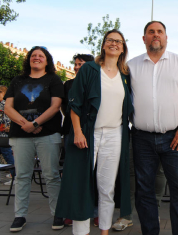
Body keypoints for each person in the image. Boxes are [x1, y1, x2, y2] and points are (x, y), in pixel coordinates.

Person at [55, 29, 133, 235]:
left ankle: (105, 230)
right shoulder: (90, 69)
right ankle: (81, 232)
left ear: (123, 47)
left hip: (115, 134)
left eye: (118, 41)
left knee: (106, 187)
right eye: (110, 40)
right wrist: (78, 132)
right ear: (104, 45)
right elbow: (74, 104)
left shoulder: (125, 74)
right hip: (89, 133)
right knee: (82, 183)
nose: (114, 44)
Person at [128, 21, 178, 235]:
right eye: (151, 32)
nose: (156, 35)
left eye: (160, 32)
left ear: (166, 37)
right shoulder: (131, 66)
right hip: (142, 138)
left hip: (175, 137)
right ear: (144, 38)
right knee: (144, 191)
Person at [4, 46, 65, 232]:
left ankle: (57, 214)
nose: (36, 58)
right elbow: (8, 107)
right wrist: (26, 124)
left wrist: (36, 124)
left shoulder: (53, 80)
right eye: (33, 55)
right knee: (22, 176)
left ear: (47, 61)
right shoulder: (17, 80)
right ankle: (19, 216)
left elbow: (55, 107)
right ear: (29, 59)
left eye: (41, 55)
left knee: (52, 175)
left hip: (48, 135)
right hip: (21, 135)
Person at [60, 53, 95, 227]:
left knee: (93, 175)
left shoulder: (97, 83)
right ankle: (71, 211)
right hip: (71, 132)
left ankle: (94, 211)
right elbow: (66, 107)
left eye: (80, 64)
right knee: (73, 174)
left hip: (92, 132)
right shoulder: (68, 84)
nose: (76, 67)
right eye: (75, 64)